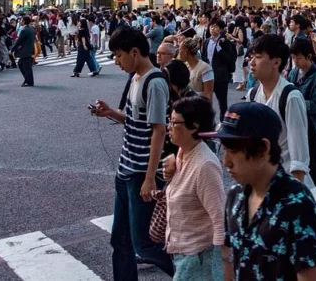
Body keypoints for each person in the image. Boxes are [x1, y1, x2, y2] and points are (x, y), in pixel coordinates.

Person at [202, 102, 316, 281]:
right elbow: (228, 253)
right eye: (224, 149)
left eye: (233, 151)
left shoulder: (298, 204)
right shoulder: (235, 195)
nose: (225, 161)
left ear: (264, 149)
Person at [90, 27, 173, 280]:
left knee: (144, 244)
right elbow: (134, 120)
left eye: (118, 55)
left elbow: (159, 130)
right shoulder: (135, 78)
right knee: (121, 241)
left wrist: (150, 178)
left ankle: (189, 275)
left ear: (134, 52)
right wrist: (109, 113)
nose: (116, 61)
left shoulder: (155, 82)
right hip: (125, 170)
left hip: (140, 174)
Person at [247, 35, 316, 206]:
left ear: (276, 62)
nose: (252, 62)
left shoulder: (290, 97)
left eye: (258, 57)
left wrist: (294, 202)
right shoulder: (253, 93)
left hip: (284, 181)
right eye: (252, 57)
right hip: (263, 180)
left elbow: (299, 155)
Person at [162, 96, 226, 281]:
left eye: (174, 122)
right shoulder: (183, 152)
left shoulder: (204, 165)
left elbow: (219, 217)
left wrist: (220, 266)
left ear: (194, 126)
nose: (169, 126)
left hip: (198, 257)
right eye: (169, 120)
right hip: (183, 252)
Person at [286, 39, 316, 134]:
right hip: (294, 120)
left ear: (309, 57)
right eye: (293, 57)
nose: (295, 61)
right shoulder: (293, 73)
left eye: (299, 58)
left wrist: (294, 101)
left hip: (311, 123)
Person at [202, 20, 237, 116]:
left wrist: (219, 48)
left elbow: (227, 58)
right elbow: (204, 56)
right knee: (206, 100)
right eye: (211, 27)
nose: (212, 29)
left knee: (222, 101)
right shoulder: (206, 41)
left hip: (220, 75)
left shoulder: (225, 42)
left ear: (221, 29)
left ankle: (223, 120)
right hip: (207, 74)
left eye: (215, 27)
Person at [13, 16, 37, 87]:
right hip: (30, 49)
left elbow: (19, 41)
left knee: (26, 67)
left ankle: (29, 81)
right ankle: (27, 80)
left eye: (21, 20)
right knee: (21, 64)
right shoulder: (32, 29)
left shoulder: (24, 30)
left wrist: (12, 50)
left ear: (23, 21)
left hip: (25, 50)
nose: (20, 21)